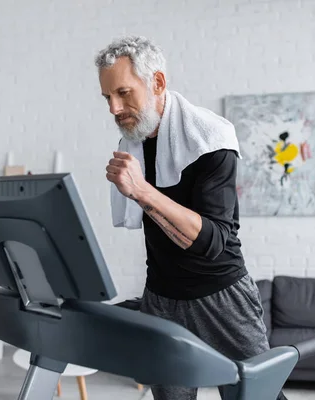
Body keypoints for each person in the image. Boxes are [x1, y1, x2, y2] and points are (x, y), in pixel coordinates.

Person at [94, 36, 287, 400]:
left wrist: (142, 191)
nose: (114, 109)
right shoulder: (132, 143)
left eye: (123, 93)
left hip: (222, 296)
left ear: (158, 83)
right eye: (107, 98)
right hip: (162, 296)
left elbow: (211, 242)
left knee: (259, 397)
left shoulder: (212, 139)